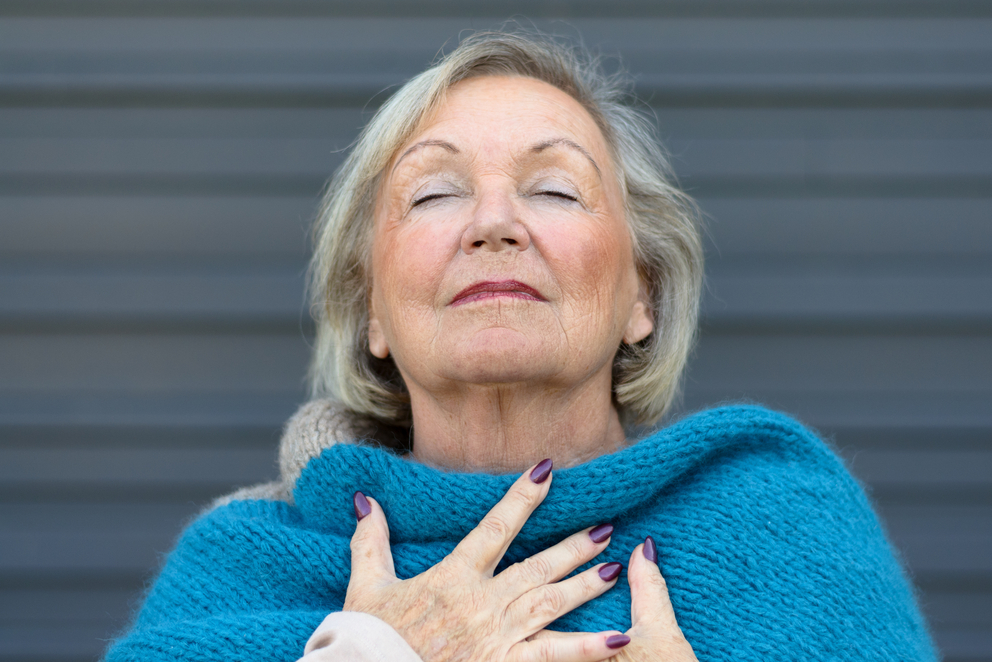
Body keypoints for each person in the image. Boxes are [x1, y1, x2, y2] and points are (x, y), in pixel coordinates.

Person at [104, 31, 937, 662]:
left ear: (640, 296)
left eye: (553, 189)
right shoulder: (242, 563)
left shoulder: (783, 531)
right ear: (372, 316)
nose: (494, 224)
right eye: (434, 193)